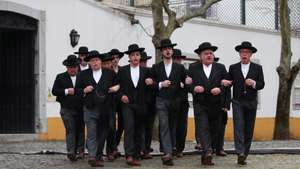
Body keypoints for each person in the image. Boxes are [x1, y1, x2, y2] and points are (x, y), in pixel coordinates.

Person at [224, 41, 265, 165]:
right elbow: (228, 81)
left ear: (251, 54)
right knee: (239, 127)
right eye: (242, 52)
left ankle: (244, 154)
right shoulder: (233, 67)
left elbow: (261, 84)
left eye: (247, 52)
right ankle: (240, 152)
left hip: (251, 102)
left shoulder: (257, 68)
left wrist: (253, 83)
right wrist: (225, 82)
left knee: (248, 129)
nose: (244, 54)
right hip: (237, 101)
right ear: (239, 54)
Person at [188, 42, 228, 166]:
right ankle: (207, 152)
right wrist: (194, 88)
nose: (209, 55)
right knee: (203, 127)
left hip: (216, 104)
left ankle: (207, 152)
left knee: (214, 129)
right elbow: (187, 84)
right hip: (200, 103)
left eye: (211, 53)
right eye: (206, 53)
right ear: (200, 56)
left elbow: (227, 84)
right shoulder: (193, 68)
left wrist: (220, 89)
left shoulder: (220, 67)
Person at [76, 50, 118, 167]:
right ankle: (92, 157)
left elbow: (119, 84)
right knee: (92, 133)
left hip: (106, 109)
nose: (95, 62)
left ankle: (98, 155)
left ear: (100, 61)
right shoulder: (82, 75)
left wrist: (116, 88)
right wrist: (84, 90)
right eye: (92, 61)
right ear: (89, 63)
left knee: (103, 133)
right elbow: (76, 91)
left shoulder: (110, 73)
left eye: (97, 60)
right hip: (90, 108)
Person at [151, 39, 186, 166]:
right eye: (165, 49)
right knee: (164, 125)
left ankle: (170, 150)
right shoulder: (156, 67)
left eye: (170, 49)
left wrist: (180, 97)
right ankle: (168, 153)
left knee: (172, 126)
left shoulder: (180, 67)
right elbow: (151, 84)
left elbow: (185, 85)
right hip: (161, 100)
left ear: (172, 51)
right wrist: (161, 84)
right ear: (161, 52)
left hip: (175, 101)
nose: (168, 50)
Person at [118, 44, 153, 166]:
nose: (135, 57)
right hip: (127, 104)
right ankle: (129, 155)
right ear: (129, 57)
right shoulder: (122, 71)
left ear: (140, 57)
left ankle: (137, 154)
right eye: (133, 55)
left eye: (137, 55)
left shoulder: (146, 71)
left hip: (141, 105)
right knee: (129, 128)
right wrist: (121, 95)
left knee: (139, 130)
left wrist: (151, 83)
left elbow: (152, 88)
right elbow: (118, 87)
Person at [52, 55, 83, 161]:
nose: (73, 69)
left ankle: (80, 150)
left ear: (77, 67)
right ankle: (71, 151)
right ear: (67, 67)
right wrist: (66, 91)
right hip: (66, 109)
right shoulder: (60, 77)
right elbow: (54, 91)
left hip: (80, 109)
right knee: (70, 129)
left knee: (80, 130)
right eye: (70, 67)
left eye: (74, 67)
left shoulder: (82, 76)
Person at [172, 49, 189, 158]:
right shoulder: (168, 71)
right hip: (171, 103)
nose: (178, 61)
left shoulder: (185, 71)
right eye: (176, 59)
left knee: (182, 127)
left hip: (182, 103)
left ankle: (179, 148)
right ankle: (171, 147)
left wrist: (184, 85)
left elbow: (189, 85)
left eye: (179, 59)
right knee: (171, 126)